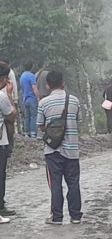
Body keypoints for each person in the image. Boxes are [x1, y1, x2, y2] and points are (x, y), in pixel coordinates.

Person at [36, 70, 83, 225]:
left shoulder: (43, 103)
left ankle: (57, 217)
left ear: (48, 85)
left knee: (55, 184)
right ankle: (75, 215)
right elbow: (78, 120)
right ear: (63, 83)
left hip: (52, 151)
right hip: (72, 149)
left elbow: (40, 126)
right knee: (73, 183)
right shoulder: (74, 101)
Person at [0, 62, 17, 223]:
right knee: (0, 174)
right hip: (1, 142)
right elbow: (11, 115)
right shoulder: (2, 96)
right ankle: (0, 205)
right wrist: (11, 96)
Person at [19, 62, 39, 138]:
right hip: (32, 99)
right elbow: (34, 87)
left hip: (25, 99)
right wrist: (38, 97)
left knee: (26, 116)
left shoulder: (22, 76)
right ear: (31, 67)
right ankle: (33, 132)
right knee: (33, 116)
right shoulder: (31, 76)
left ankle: (26, 132)